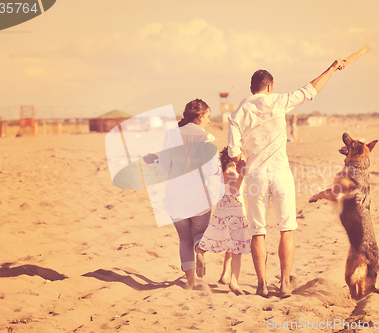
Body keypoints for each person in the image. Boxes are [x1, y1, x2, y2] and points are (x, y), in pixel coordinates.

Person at [228, 59, 347, 297]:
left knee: (258, 231)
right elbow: (310, 89)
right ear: (270, 87)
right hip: (280, 174)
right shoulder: (279, 101)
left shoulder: (238, 112)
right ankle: (284, 283)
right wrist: (332, 68)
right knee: (287, 228)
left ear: (252, 88)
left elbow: (232, 153)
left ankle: (261, 285)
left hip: (255, 176)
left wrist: (244, 156)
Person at [144, 99, 220, 290]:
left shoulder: (171, 135)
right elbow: (212, 170)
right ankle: (199, 249)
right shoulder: (206, 138)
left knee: (184, 238)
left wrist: (154, 160)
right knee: (199, 233)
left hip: (175, 197)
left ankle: (191, 282)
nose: (209, 121)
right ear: (200, 117)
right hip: (199, 197)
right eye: (208, 117)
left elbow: (162, 169)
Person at [197, 147, 250, 295]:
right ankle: (234, 281)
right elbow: (233, 190)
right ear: (235, 157)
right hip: (236, 211)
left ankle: (201, 250)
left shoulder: (223, 169)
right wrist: (243, 175)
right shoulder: (233, 170)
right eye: (243, 155)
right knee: (237, 247)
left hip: (222, 210)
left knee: (216, 236)